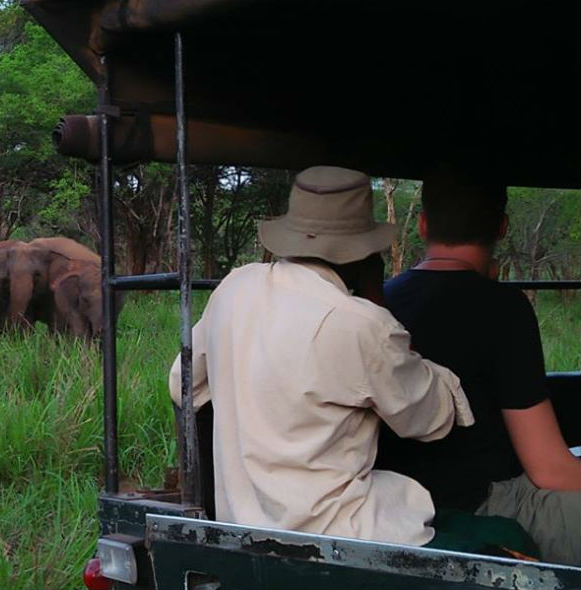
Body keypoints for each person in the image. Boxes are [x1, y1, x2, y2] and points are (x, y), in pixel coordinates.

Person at [168, 165, 474, 546]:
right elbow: (431, 418)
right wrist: (382, 316)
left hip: (243, 526)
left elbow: (183, 385)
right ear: (363, 254)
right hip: (342, 535)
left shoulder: (235, 288)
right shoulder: (361, 324)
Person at [376, 172, 581, 565]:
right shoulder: (504, 309)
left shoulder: (378, 305)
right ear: (502, 227)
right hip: (482, 503)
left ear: (422, 224)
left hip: (394, 502)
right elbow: (550, 470)